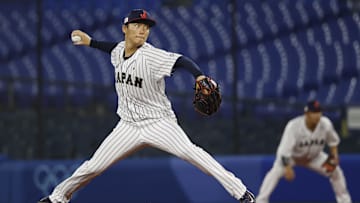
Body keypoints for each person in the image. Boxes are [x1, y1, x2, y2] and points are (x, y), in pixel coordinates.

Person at [38, 9, 255, 203]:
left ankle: (242, 193)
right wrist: (90, 42)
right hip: (128, 125)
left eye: (146, 27)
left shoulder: (151, 56)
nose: (143, 30)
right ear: (125, 29)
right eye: (137, 25)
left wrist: (198, 76)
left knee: (194, 154)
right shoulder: (119, 50)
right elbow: (113, 48)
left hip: (158, 122)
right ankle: (57, 198)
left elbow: (180, 60)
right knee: (94, 166)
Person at [256, 100, 352, 203]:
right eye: (314, 112)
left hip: (315, 158)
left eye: (319, 112)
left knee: (335, 171)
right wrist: (287, 167)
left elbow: (333, 142)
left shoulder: (325, 124)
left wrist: (334, 156)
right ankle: (260, 201)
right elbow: (283, 151)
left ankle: (345, 201)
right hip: (293, 158)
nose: (317, 115)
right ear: (307, 113)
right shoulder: (294, 126)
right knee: (275, 172)